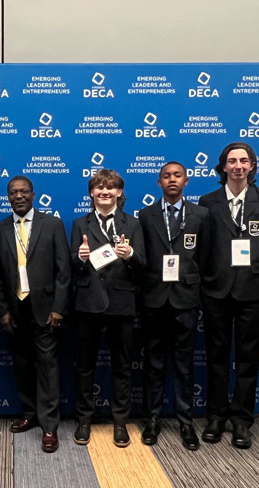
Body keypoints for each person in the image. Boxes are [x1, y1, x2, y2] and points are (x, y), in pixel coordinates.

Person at [198, 142, 259, 449]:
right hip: (216, 291)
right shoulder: (207, 202)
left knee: (249, 359)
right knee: (216, 357)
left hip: (253, 290)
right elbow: (203, 250)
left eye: (243, 161)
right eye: (232, 161)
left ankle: (242, 421)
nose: (238, 166)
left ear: (252, 166)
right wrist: (203, 284)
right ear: (222, 167)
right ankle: (216, 417)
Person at [0, 175, 70, 453]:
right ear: (8, 197)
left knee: (47, 368)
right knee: (22, 365)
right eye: (13, 192)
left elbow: (64, 271)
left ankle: (49, 425)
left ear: (33, 195)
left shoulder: (53, 225)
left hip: (46, 310)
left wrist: (59, 307)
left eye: (24, 191)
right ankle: (30, 413)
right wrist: (3, 310)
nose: (19, 196)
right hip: (15, 309)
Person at [70, 169, 145, 448]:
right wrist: (79, 258)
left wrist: (131, 255)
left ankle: (120, 422)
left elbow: (144, 267)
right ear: (91, 193)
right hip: (88, 303)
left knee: (122, 366)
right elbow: (72, 268)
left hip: (121, 302)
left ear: (119, 193)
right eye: (99, 188)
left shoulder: (133, 224)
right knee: (85, 366)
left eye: (110, 188)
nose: (104, 192)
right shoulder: (80, 224)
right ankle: (84, 419)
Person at [137, 161, 209, 451]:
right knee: (153, 364)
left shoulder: (201, 215)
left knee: (184, 364)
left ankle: (185, 422)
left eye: (177, 175)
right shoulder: (145, 215)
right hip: (154, 298)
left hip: (186, 299)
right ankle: (152, 419)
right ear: (159, 182)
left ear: (186, 180)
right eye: (166, 176)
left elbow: (206, 257)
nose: (172, 180)